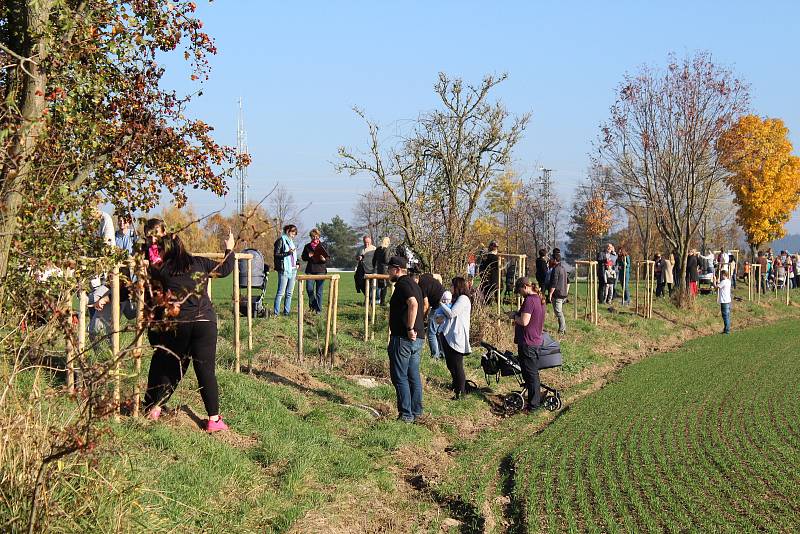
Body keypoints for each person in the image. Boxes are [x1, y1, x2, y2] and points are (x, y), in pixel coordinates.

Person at [144, 229, 236, 432]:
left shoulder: (161, 270)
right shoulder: (200, 263)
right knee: (206, 372)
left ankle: (154, 408)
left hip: (180, 325)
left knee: (174, 367)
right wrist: (229, 248)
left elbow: (152, 298)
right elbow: (226, 268)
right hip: (205, 323)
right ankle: (213, 419)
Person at [386, 256, 424, 423]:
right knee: (413, 375)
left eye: (389, 269)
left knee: (399, 376)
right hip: (418, 339)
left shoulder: (402, 284)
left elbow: (413, 304)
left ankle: (406, 415)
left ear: (397, 269)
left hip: (403, 338)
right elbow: (423, 303)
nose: (388, 272)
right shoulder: (414, 284)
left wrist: (409, 328)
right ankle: (416, 411)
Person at [511, 277, 546, 411]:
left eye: (520, 291)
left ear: (525, 287)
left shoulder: (530, 300)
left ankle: (533, 405)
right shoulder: (539, 299)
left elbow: (525, 321)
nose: (520, 294)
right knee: (532, 374)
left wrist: (514, 317)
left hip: (528, 343)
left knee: (531, 376)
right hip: (535, 341)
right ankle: (535, 399)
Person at [437, 277, 473, 399]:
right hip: (449, 336)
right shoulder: (456, 299)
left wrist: (441, 303)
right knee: (450, 364)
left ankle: (461, 392)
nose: (450, 288)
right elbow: (443, 317)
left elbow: (452, 313)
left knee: (457, 365)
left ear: (458, 286)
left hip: (457, 337)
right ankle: (456, 385)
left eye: (452, 286)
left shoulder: (463, 299)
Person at [417, 272, 445, 360]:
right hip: (445, 304)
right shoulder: (425, 276)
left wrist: (421, 318)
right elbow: (438, 276)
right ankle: (442, 354)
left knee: (431, 333)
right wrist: (439, 288)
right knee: (438, 332)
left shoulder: (421, 286)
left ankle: (435, 356)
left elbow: (425, 305)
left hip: (437, 307)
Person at [273, 224, 299, 316]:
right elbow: (276, 254)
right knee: (281, 293)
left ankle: (286, 313)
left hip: (293, 270)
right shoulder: (281, 241)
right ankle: (276, 313)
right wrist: (288, 253)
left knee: (289, 293)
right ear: (288, 231)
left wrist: (297, 262)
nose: (294, 235)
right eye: (293, 233)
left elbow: (294, 256)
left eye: (295, 233)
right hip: (284, 270)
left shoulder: (291, 242)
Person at [301, 228, 329, 313]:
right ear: (310, 237)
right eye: (313, 237)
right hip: (310, 270)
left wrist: (324, 259)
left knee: (319, 292)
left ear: (319, 236)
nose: (315, 238)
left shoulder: (323, 245)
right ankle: (314, 306)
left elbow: (327, 258)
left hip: (321, 270)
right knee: (309, 289)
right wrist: (308, 256)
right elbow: (303, 257)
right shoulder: (307, 246)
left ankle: (318, 311)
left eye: (316, 236)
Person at [548, 252, 569, 335]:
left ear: (555, 260)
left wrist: (550, 294)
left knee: (558, 312)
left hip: (558, 293)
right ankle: (562, 329)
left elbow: (554, 283)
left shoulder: (556, 269)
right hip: (563, 293)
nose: (550, 260)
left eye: (552, 259)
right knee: (559, 311)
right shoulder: (563, 268)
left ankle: (562, 330)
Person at [373, 237, 391, 305]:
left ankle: (379, 300)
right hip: (385, 269)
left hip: (379, 269)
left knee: (380, 285)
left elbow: (374, 260)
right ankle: (382, 301)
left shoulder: (377, 249)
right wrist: (391, 263)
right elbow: (386, 260)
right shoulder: (386, 249)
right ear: (387, 242)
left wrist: (374, 267)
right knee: (385, 286)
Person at [715, 269, 732, 334]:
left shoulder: (724, 281)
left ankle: (727, 330)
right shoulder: (729, 281)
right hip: (728, 300)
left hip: (724, 301)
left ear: (724, 275)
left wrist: (714, 281)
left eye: (721, 275)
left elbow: (716, 287)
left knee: (725, 316)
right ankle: (726, 329)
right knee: (727, 315)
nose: (721, 276)